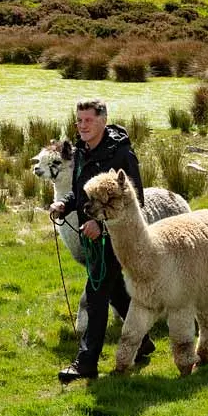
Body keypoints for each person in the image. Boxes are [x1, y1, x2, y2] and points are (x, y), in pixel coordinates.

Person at [50, 98, 155, 383]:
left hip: (116, 237)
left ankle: (86, 363)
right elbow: (79, 194)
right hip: (91, 235)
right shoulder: (81, 150)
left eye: (88, 120)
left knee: (96, 293)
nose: (82, 126)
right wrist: (64, 205)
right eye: (79, 121)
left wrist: (103, 226)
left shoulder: (121, 155)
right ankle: (142, 341)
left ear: (103, 121)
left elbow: (137, 203)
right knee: (113, 290)